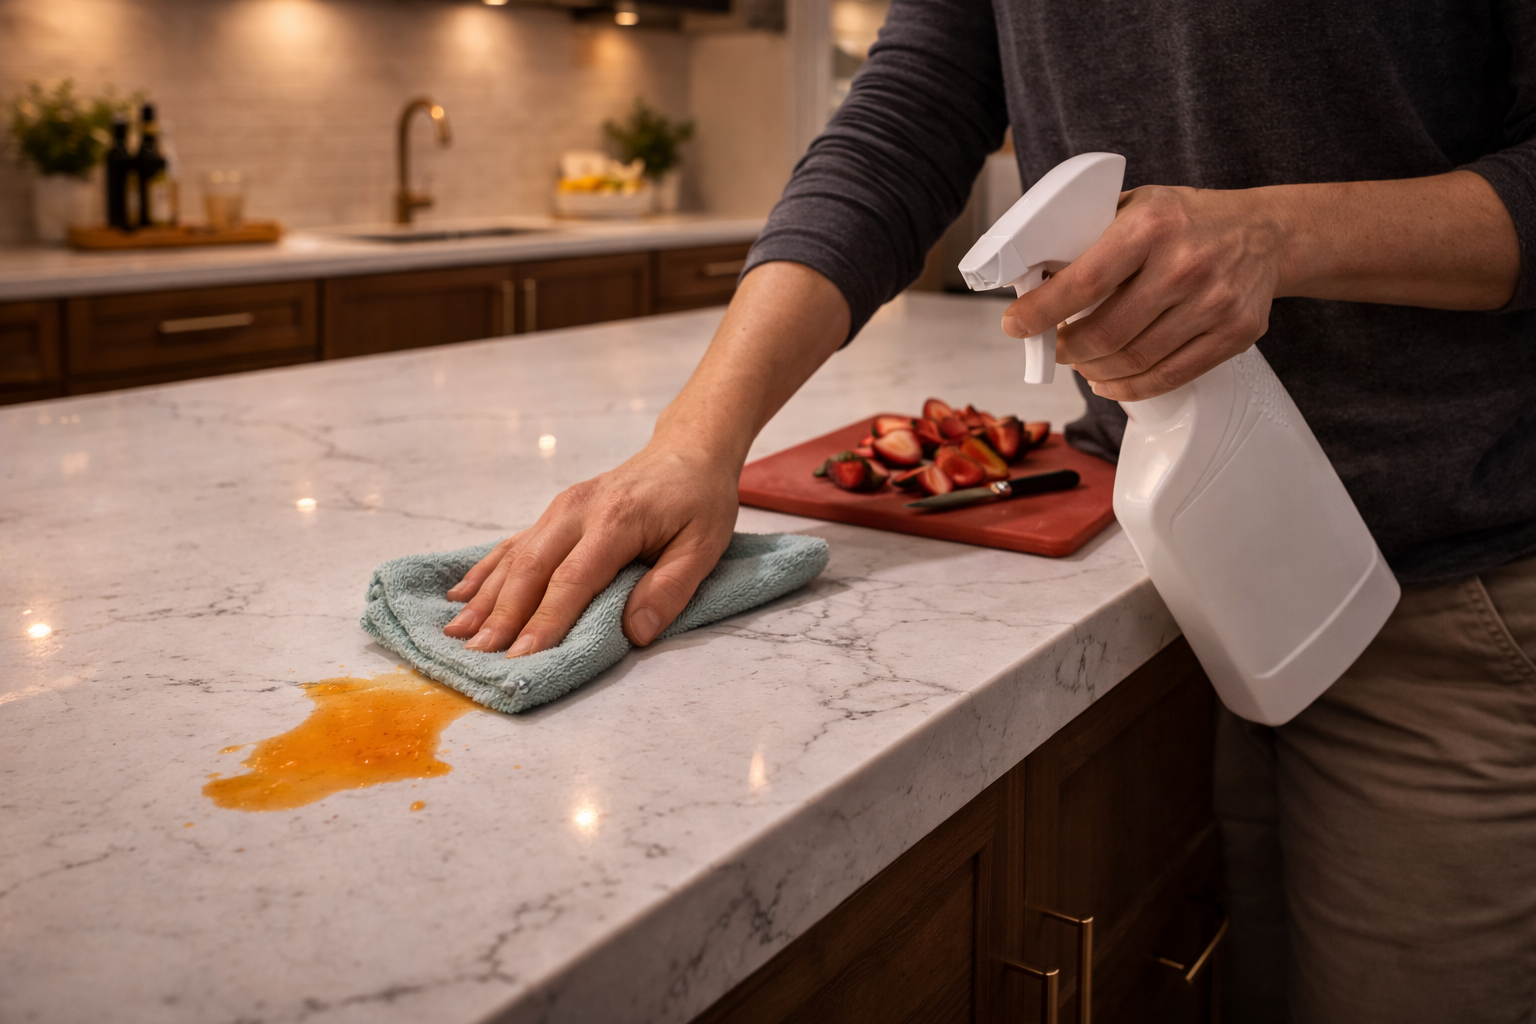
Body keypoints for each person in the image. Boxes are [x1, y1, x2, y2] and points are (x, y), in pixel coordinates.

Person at [441, 1, 1536, 1020]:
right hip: (1170, 579)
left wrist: (1281, 236)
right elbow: (905, 120)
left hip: (1445, 599)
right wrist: (693, 444)